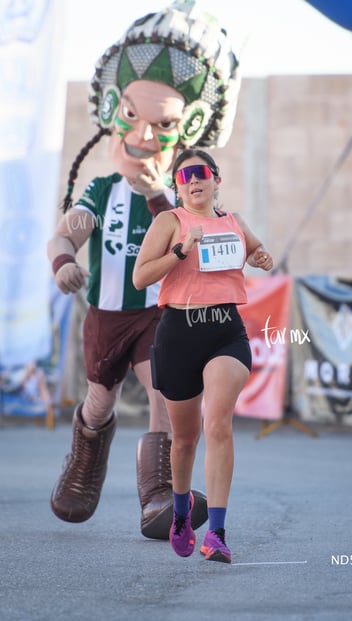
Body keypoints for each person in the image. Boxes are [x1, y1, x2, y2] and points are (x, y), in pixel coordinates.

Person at [47, 1, 241, 539]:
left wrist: (161, 193)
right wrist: (64, 261)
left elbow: (199, 242)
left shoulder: (184, 200)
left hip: (159, 316)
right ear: (113, 112)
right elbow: (67, 231)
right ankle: (84, 461)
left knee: (164, 394)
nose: (142, 137)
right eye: (131, 116)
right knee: (100, 399)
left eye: (163, 124)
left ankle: (157, 499)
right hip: (107, 316)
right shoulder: (101, 191)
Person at [132, 148, 274, 562]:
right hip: (178, 332)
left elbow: (259, 253)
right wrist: (179, 251)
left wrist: (262, 257)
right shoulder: (169, 222)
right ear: (178, 186)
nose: (192, 180)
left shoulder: (234, 222)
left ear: (216, 179)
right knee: (186, 440)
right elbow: (141, 276)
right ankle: (180, 513)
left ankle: (217, 533)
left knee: (218, 425)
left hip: (225, 332)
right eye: (183, 176)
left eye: (200, 173)